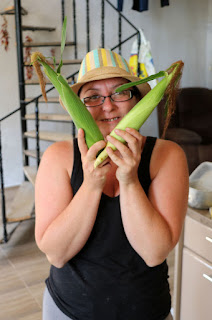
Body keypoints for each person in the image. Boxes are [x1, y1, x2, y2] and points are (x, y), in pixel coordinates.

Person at [35, 48, 189, 320]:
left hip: (147, 310)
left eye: (121, 92)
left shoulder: (168, 155)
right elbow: (56, 254)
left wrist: (129, 180)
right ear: (77, 106)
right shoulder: (57, 157)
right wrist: (91, 184)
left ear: (138, 100)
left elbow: (154, 253)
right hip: (69, 310)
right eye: (92, 96)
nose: (108, 106)